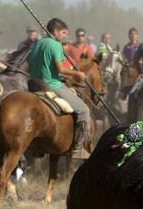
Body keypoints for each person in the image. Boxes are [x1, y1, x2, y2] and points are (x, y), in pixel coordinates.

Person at [29, 18, 92, 156]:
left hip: (34, 84)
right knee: (84, 110)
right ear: (56, 31)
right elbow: (61, 68)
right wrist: (77, 74)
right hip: (52, 85)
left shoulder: (38, 43)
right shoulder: (56, 45)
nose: (65, 36)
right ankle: (78, 148)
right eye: (63, 33)